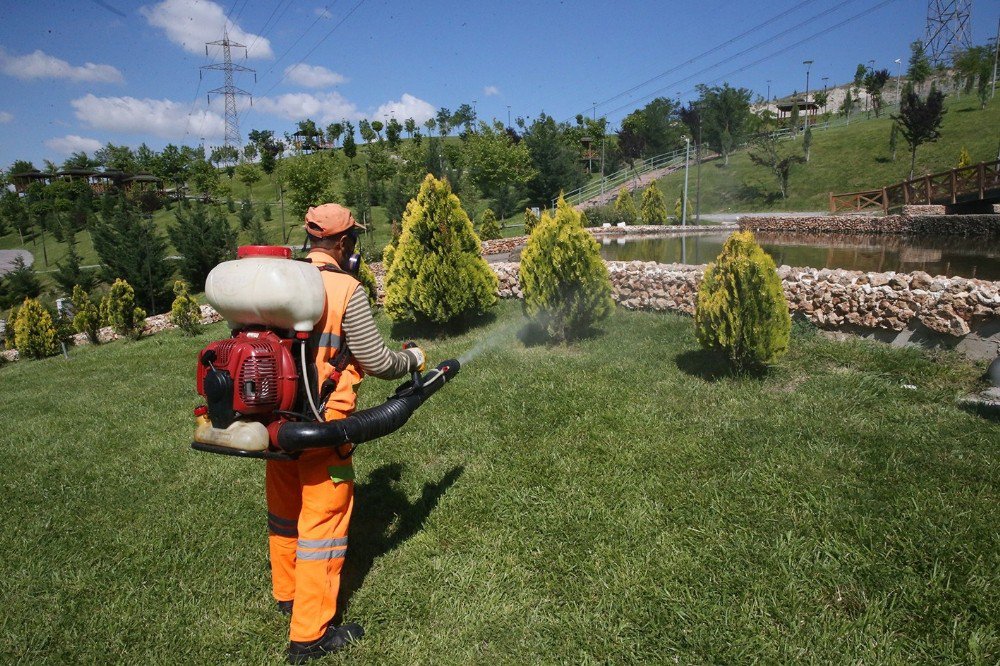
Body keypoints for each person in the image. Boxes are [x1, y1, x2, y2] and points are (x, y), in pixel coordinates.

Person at [266, 203, 426, 664]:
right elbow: (376, 361)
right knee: (323, 526)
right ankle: (311, 634)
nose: (354, 246)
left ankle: (289, 593)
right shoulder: (344, 288)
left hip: (276, 422)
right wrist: (412, 360)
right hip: (323, 424)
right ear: (341, 243)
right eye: (352, 238)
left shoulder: (280, 282)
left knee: (284, 512)